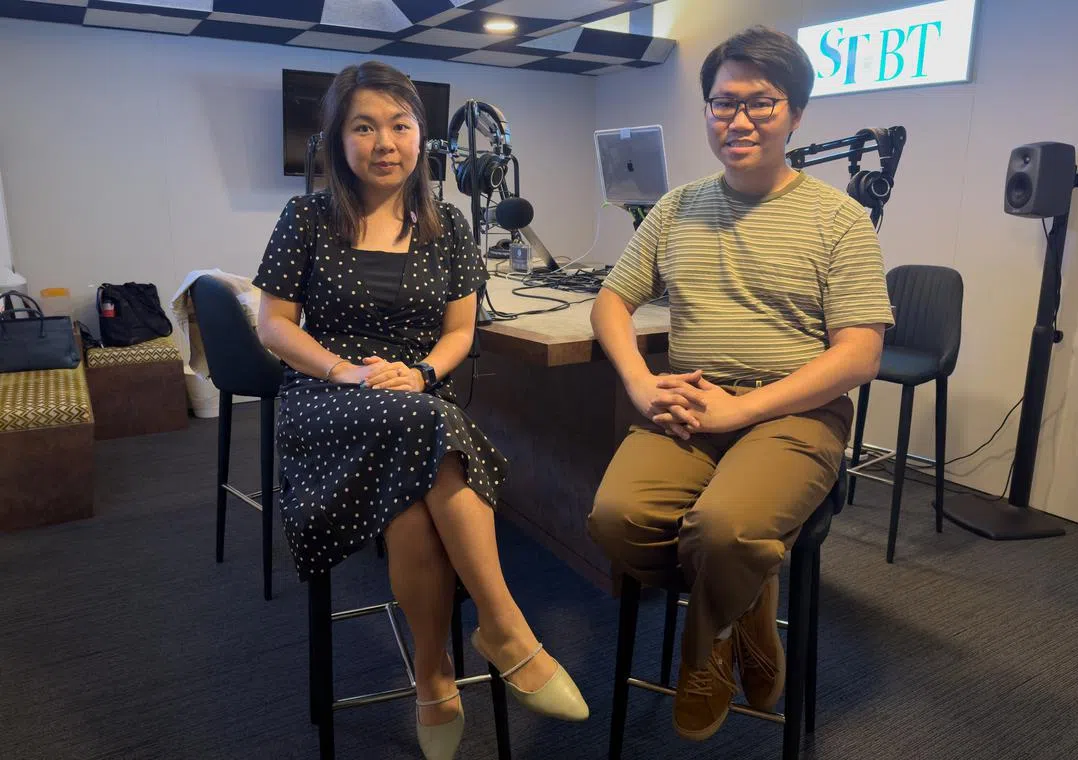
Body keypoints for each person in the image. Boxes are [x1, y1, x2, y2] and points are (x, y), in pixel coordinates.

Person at [254, 61, 588, 760]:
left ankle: (434, 678)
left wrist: (424, 370)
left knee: (411, 494)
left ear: (421, 137)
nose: (385, 142)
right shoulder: (307, 218)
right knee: (432, 431)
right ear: (338, 141)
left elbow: (460, 333)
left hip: (412, 394)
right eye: (365, 127)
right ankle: (504, 628)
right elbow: (276, 326)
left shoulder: (446, 229)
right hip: (326, 397)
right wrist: (345, 369)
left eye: (400, 126)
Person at [588, 26, 895, 742]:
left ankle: (707, 651)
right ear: (705, 113)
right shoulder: (676, 207)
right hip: (696, 398)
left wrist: (743, 410)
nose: (740, 120)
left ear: (795, 114)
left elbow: (859, 356)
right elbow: (612, 301)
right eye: (724, 104)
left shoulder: (839, 220)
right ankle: (749, 601)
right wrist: (638, 381)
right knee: (615, 518)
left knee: (725, 528)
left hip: (796, 412)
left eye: (761, 103)